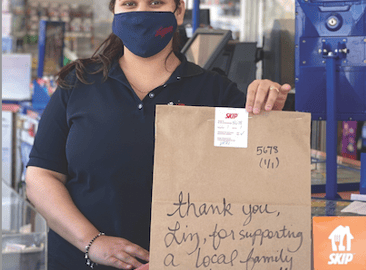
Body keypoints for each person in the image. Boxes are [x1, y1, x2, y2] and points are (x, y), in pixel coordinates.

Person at [25, 0, 291, 269]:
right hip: (80, 261)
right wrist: (92, 242)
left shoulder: (215, 93)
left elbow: (255, 181)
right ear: (114, 11)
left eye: (155, 2)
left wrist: (268, 110)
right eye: (129, 3)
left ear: (178, 10)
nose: (142, 13)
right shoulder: (79, 82)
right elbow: (41, 175)